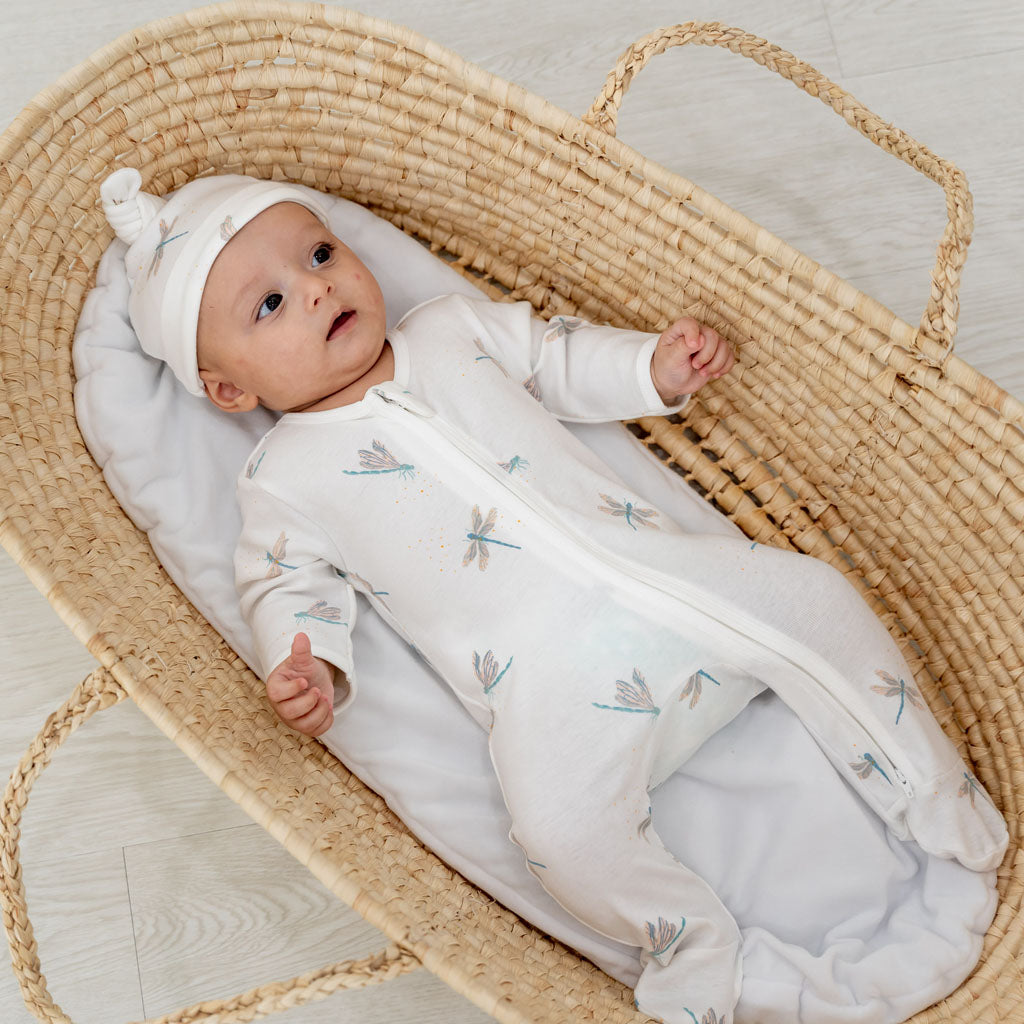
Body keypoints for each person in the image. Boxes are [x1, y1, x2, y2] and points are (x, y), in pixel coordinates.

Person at [99, 168, 1007, 1024]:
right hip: (546, 687)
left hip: (673, 581)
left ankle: (928, 789)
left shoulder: (448, 329)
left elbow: (558, 358)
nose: (314, 289)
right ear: (229, 389)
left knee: (817, 599)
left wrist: (653, 371)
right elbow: (283, 579)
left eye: (320, 253)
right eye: (268, 305)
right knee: (555, 835)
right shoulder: (283, 478)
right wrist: (309, 666)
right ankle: (691, 940)